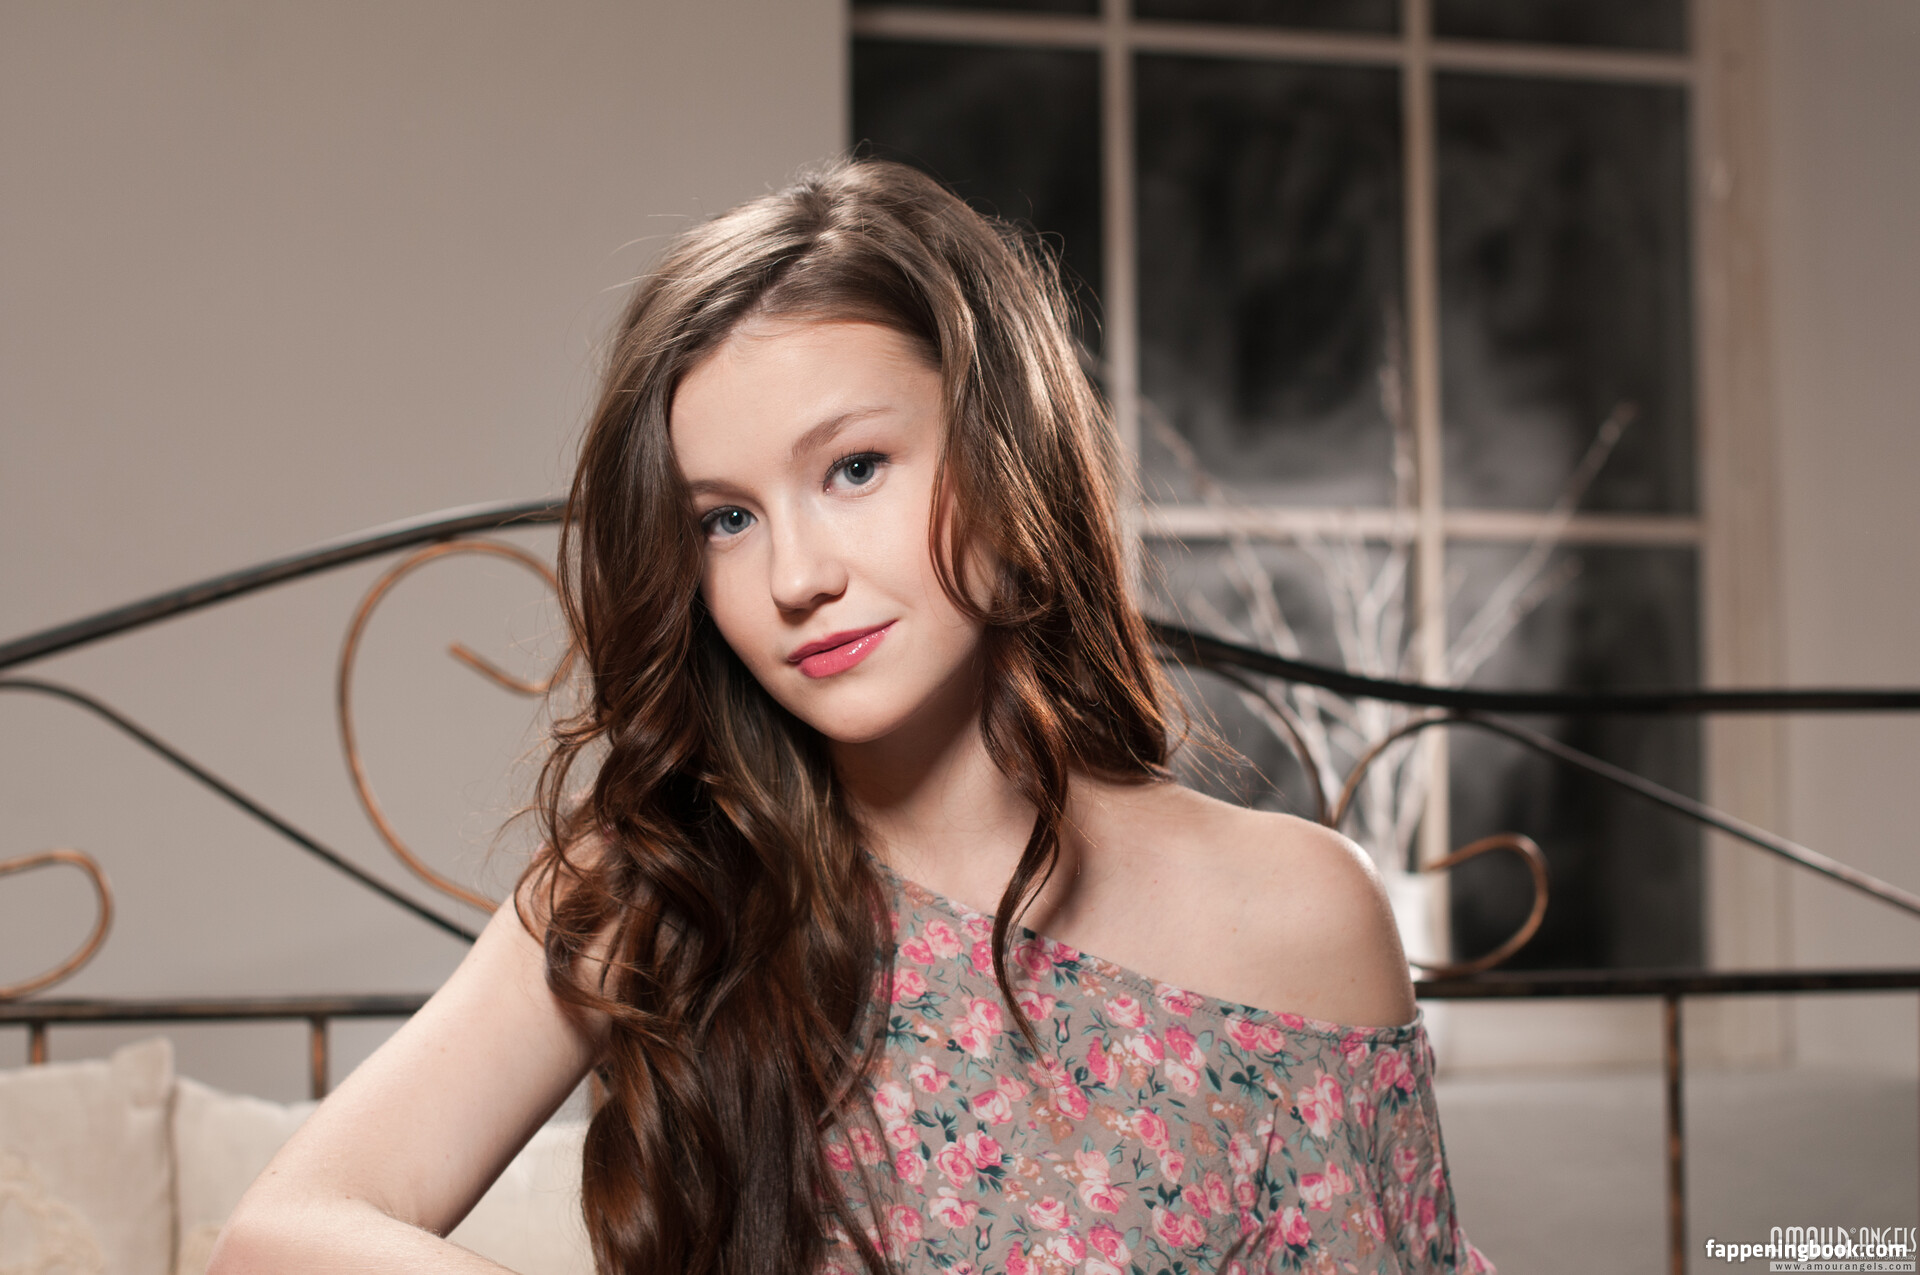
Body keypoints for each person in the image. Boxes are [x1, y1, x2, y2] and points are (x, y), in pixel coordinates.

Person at [211, 158, 1491, 1275]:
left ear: (1004, 455)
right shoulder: (665, 887)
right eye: (726, 519)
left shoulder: (1296, 914)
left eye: (855, 468)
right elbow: (276, 1239)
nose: (794, 576)